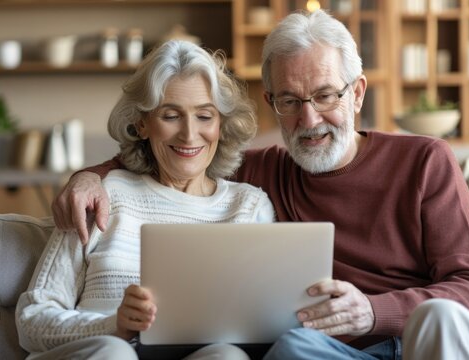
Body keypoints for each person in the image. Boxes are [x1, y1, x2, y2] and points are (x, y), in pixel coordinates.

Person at [52, 10, 469, 360]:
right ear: (271, 103)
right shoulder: (260, 174)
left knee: (443, 316)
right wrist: (89, 176)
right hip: (328, 353)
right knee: (290, 348)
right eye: (289, 100)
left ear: (357, 93)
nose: (309, 119)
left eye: (325, 95)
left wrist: (375, 312)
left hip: (414, 342)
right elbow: (176, 153)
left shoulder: (424, 160)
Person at [16, 39, 275, 360]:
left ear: (221, 125)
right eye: (170, 116)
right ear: (142, 124)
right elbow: (32, 319)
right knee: (116, 353)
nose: (190, 134)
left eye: (205, 116)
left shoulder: (249, 208)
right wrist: (113, 326)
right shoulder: (104, 194)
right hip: (101, 352)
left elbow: (265, 324)